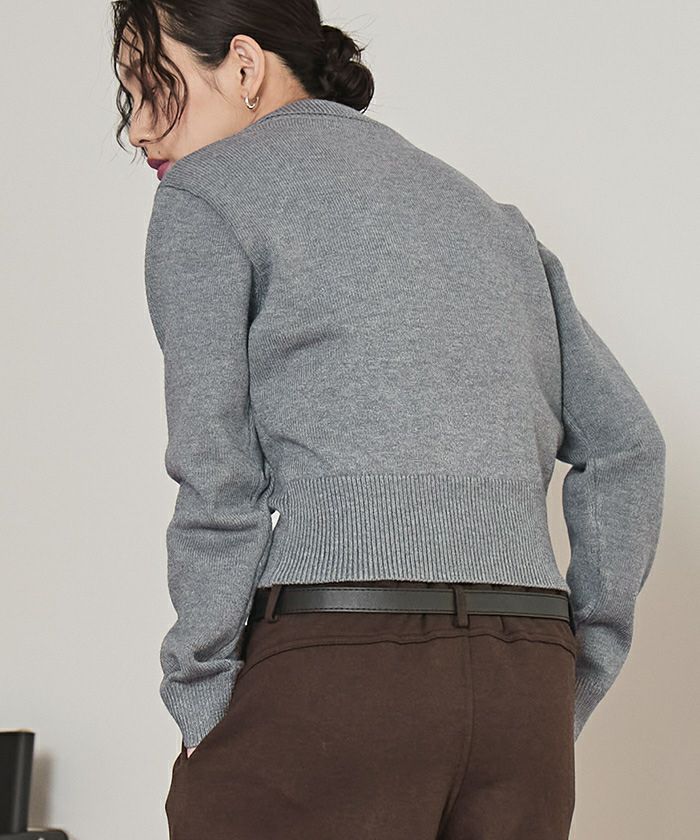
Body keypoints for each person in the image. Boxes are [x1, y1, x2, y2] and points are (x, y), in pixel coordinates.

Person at [113, 2, 666, 838]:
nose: (138, 128)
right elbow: (628, 445)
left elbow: (218, 476)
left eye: (149, 82)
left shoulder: (208, 194)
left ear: (244, 66)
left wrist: (199, 693)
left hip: (341, 671)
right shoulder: (489, 218)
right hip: (522, 684)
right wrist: (576, 661)